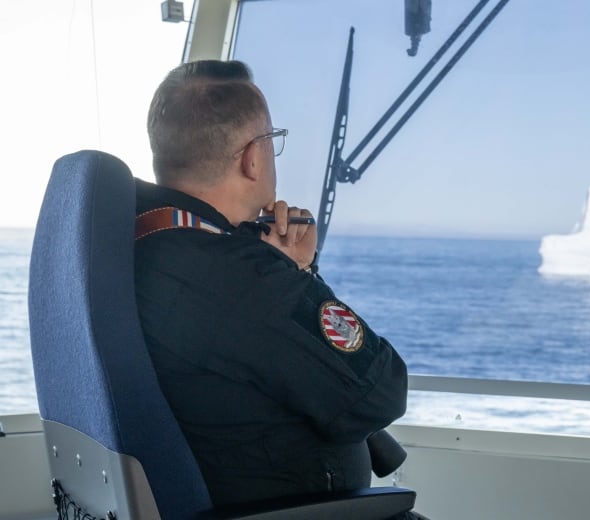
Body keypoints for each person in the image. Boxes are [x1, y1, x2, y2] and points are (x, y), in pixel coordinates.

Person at [134, 59, 413, 513]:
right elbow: (381, 393)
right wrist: (294, 278)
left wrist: (288, 268)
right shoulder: (240, 278)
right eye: (272, 140)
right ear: (253, 157)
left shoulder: (147, 240)